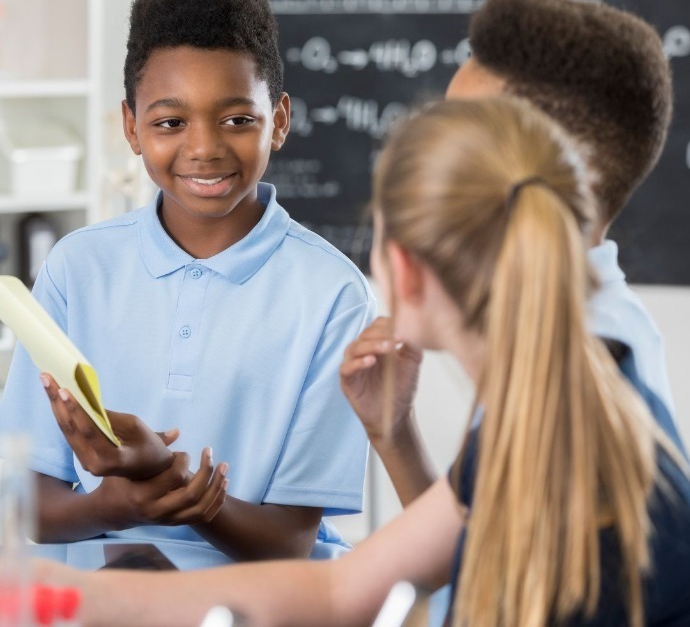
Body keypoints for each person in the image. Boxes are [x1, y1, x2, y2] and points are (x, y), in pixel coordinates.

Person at [35, 97, 690, 627]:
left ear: (401, 268)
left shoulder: (553, 435)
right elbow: (357, 587)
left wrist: (50, 595)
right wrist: (391, 431)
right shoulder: (590, 385)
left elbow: (367, 594)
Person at [0, 0, 376, 568]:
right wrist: (121, 504)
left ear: (278, 120)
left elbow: (290, 543)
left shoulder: (333, 295)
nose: (204, 148)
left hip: (256, 598)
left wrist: (176, 489)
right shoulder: (78, 269)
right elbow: (28, 505)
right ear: (131, 127)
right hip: (105, 596)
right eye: (171, 123)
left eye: (236, 120)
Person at [341, 0, 677, 507]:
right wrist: (394, 432)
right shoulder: (549, 324)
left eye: (464, 141)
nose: (436, 156)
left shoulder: (582, 362)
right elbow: (470, 555)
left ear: (557, 166)